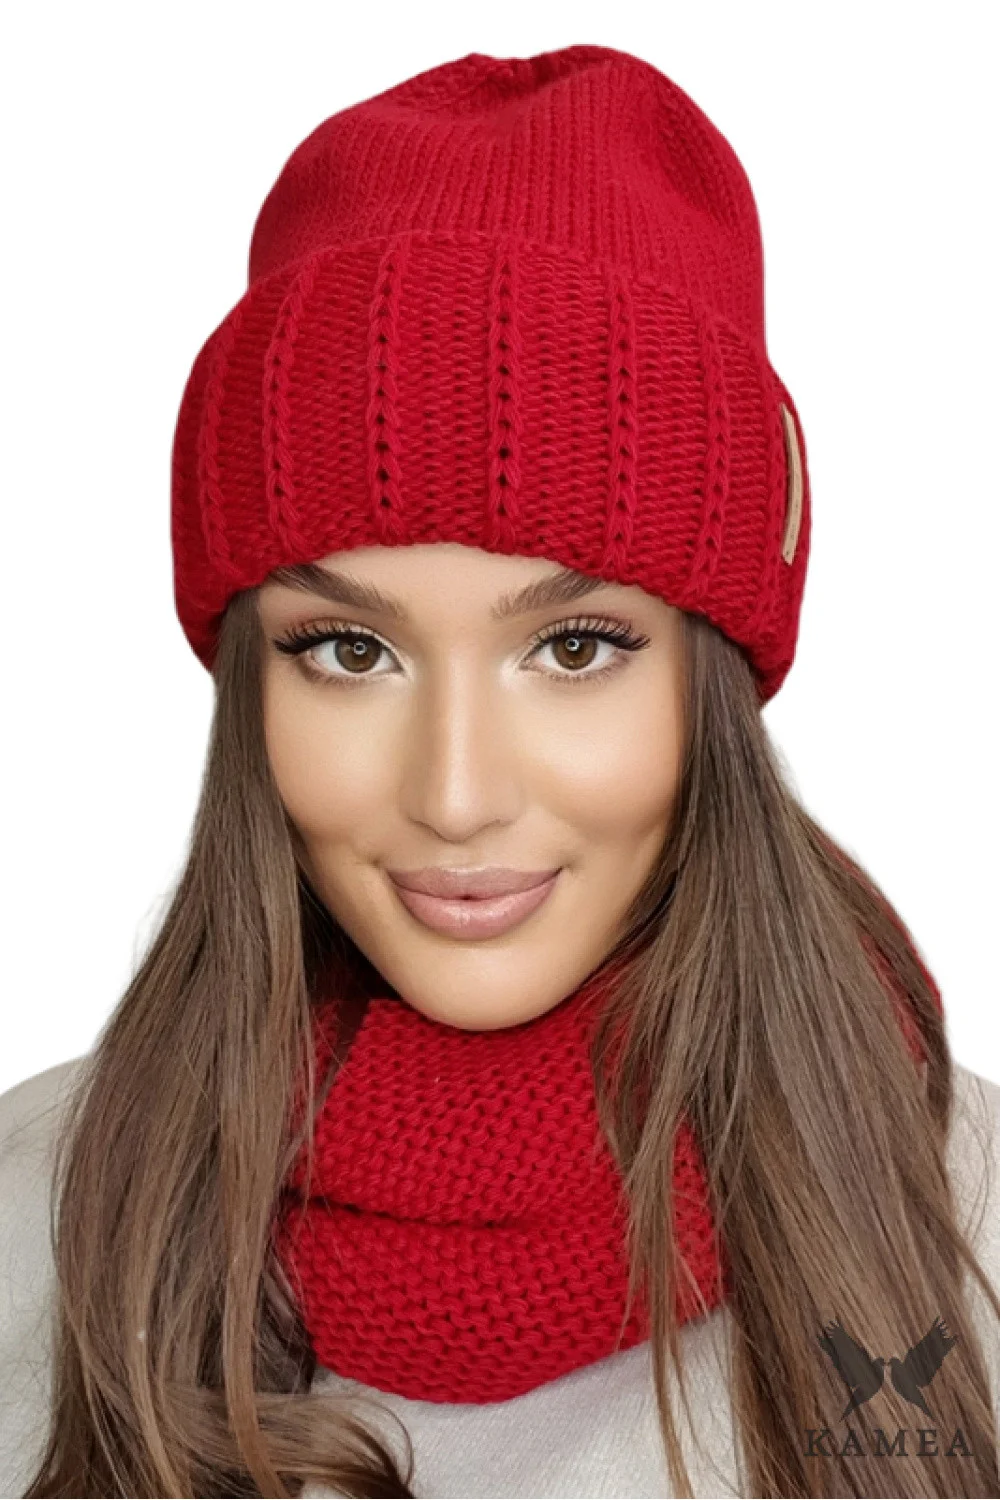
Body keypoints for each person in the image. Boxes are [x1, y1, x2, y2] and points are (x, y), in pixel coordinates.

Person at [2, 42, 999, 1500]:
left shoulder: (967, 1222)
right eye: (349, 651)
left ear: (712, 681)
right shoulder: (33, 1208)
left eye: (575, 647)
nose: (456, 794)